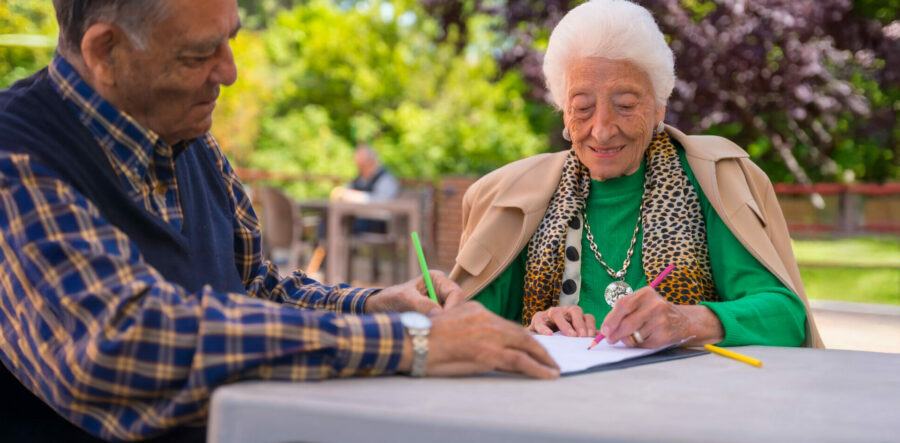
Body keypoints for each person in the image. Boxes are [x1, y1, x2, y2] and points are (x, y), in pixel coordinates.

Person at [0, 0, 558, 441]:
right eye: (199, 54)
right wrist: (408, 342)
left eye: (231, 40)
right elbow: (117, 343)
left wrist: (375, 303)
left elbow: (254, 288)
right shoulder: (16, 158)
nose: (231, 71)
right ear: (106, 50)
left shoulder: (191, 138)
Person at [450, 0, 823, 350]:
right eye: (582, 107)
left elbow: (786, 317)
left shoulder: (709, 179)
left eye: (626, 105)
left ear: (660, 105)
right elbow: (459, 327)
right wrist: (535, 329)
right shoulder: (519, 198)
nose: (602, 130)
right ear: (564, 112)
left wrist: (690, 321)